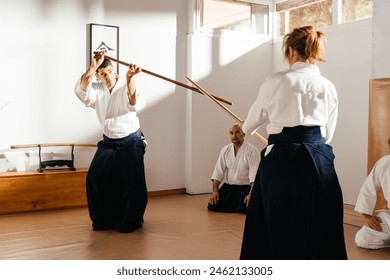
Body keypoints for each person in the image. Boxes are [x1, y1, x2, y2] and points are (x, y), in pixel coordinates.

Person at [239, 26, 347, 259]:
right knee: (319, 221)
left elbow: (250, 124)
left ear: (289, 50)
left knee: (278, 221)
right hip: (319, 160)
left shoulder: (275, 80)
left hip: (281, 162)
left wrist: (245, 126)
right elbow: (328, 134)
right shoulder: (328, 86)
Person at [74, 51, 148, 233]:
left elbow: (134, 101)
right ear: (98, 77)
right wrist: (92, 67)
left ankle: (129, 221)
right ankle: (103, 220)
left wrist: (130, 78)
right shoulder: (97, 90)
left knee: (131, 182)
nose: (107, 77)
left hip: (131, 141)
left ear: (114, 71)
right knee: (95, 178)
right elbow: (81, 90)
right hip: (109, 143)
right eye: (102, 74)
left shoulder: (125, 85)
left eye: (109, 72)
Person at [208, 124, 260, 213]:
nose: (234, 136)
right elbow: (218, 172)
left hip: (246, 188)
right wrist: (215, 191)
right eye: (231, 133)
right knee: (212, 205)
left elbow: (254, 174)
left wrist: (251, 194)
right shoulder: (225, 150)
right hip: (230, 187)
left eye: (237, 132)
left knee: (251, 209)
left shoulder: (252, 150)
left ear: (244, 134)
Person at [354, 154, 390, 249]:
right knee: (363, 239)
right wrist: (365, 215)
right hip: (389, 218)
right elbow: (368, 188)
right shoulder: (385, 163)